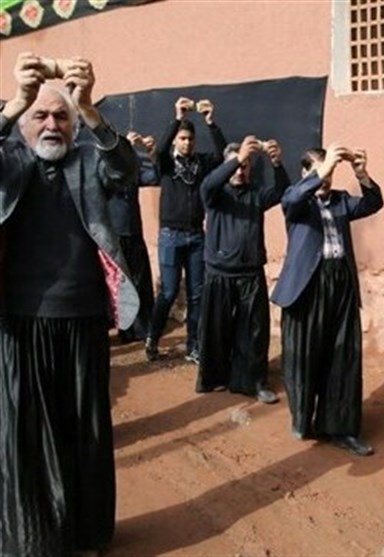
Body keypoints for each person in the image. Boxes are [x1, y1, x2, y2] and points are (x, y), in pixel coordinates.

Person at [0, 52, 138, 556]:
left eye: (62, 116)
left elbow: (129, 170)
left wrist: (91, 109)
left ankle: (85, 532)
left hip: (82, 319)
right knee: (28, 439)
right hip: (20, 321)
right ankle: (35, 541)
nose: (52, 124)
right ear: (24, 125)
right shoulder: (9, 162)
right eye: (41, 116)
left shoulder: (87, 161)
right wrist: (14, 102)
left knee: (85, 433)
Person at [271, 144, 383, 456]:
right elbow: (292, 199)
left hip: (341, 283)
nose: (327, 179)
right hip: (307, 286)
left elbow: (374, 203)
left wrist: (361, 173)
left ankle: (341, 427)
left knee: (343, 356)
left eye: (331, 172)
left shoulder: (342, 201)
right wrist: (323, 170)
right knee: (303, 355)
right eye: (321, 171)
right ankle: (303, 419)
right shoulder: (296, 200)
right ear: (306, 173)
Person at [196, 137, 290, 403]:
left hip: (250, 274)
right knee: (216, 329)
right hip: (218, 274)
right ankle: (213, 378)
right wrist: (237, 158)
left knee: (254, 331)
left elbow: (282, 190)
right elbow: (208, 183)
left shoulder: (256, 195)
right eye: (236, 166)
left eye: (246, 166)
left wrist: (276, 163)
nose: (240, 171)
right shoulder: (215, 195)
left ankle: (255, 381)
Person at [146, 96, 226, 364]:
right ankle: (152, 339)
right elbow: (157, 153)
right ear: (176, 141)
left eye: (190, 139)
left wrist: (210, 122)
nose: (187, 143)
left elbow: (224, 156)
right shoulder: (166, 164)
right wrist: (178, 117)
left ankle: (193, 346)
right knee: (168, 292)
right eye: (182, 138)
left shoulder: (201, 163)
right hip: (170, 235)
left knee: (196, 295)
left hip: (195, 235)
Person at [109, 131, 158, 343]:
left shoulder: (133, 174)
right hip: (116, 236)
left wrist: (150, 153)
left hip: (135, 233)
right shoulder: (108, 172)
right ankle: (125, 329)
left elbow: (154, 176)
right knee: (122, 285)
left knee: (141, 281)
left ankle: (143, 327)